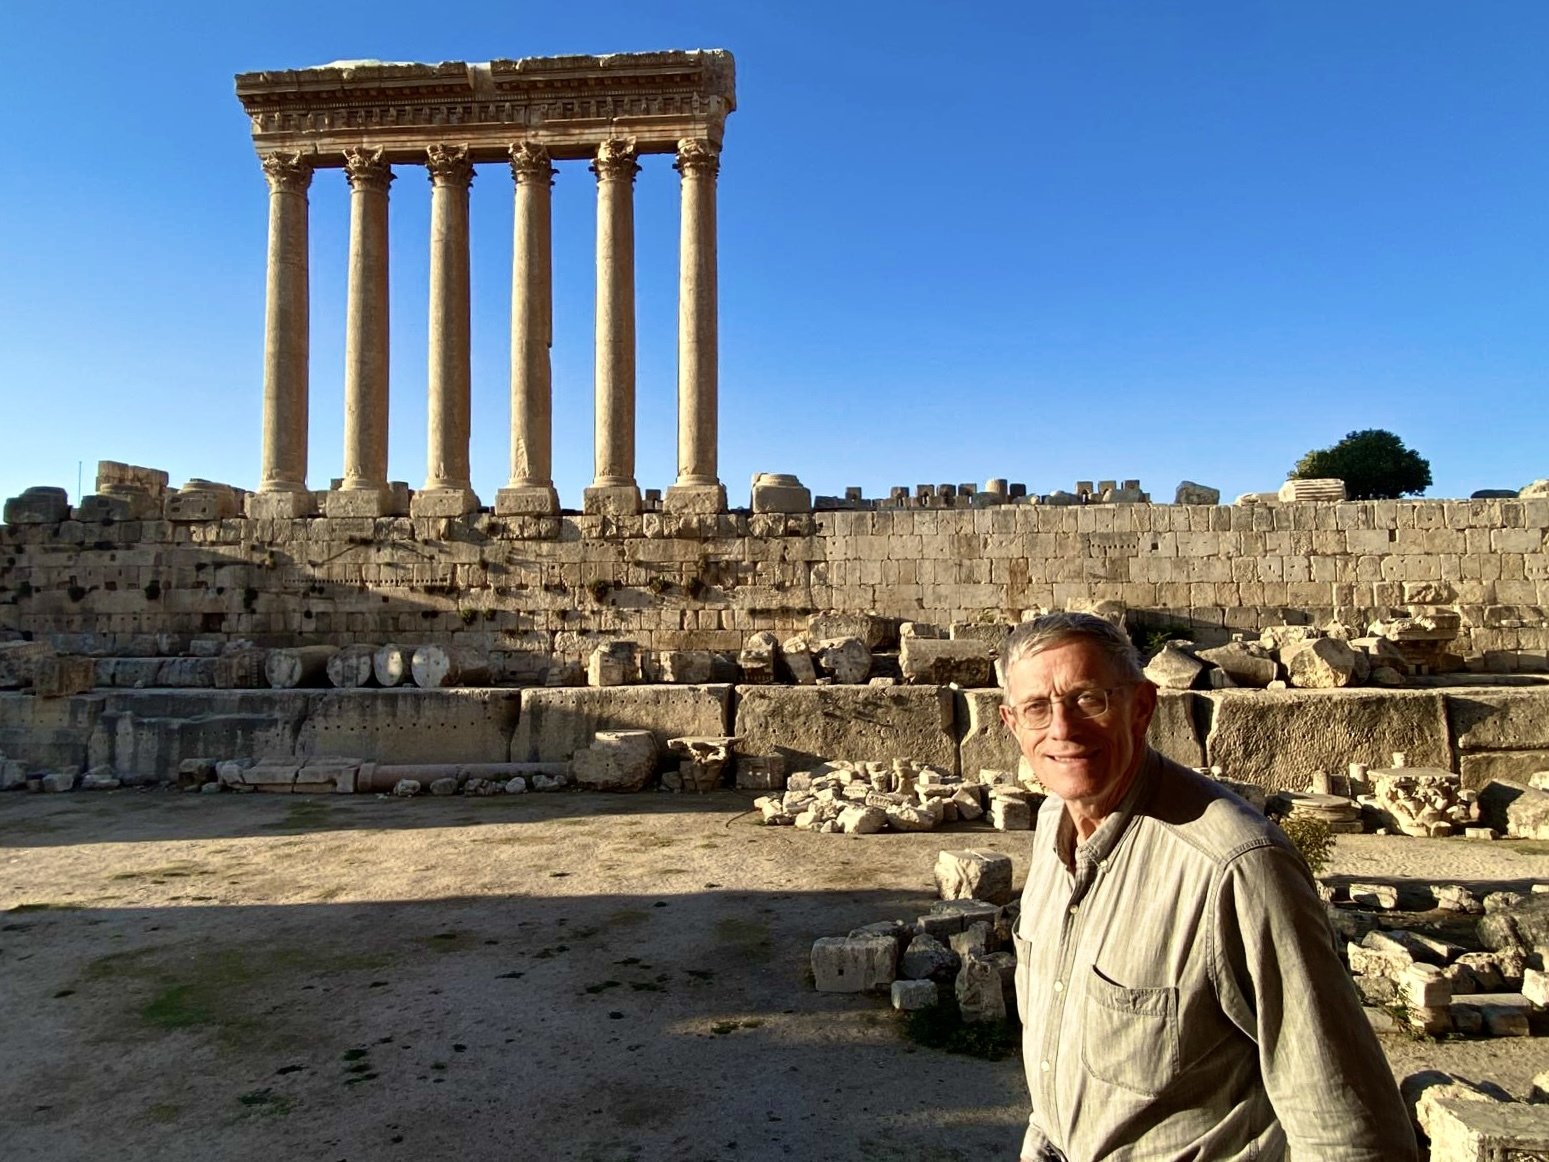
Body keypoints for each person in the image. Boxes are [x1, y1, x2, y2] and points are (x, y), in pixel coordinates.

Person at [1000, 611, 1416, 1161]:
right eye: (1036, 709)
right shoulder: (1053, 829)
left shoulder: (1236, 867)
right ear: (1010, 724)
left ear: (1142, 707)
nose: (1062, 729)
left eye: (1089, 699)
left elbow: (1347, 1128)